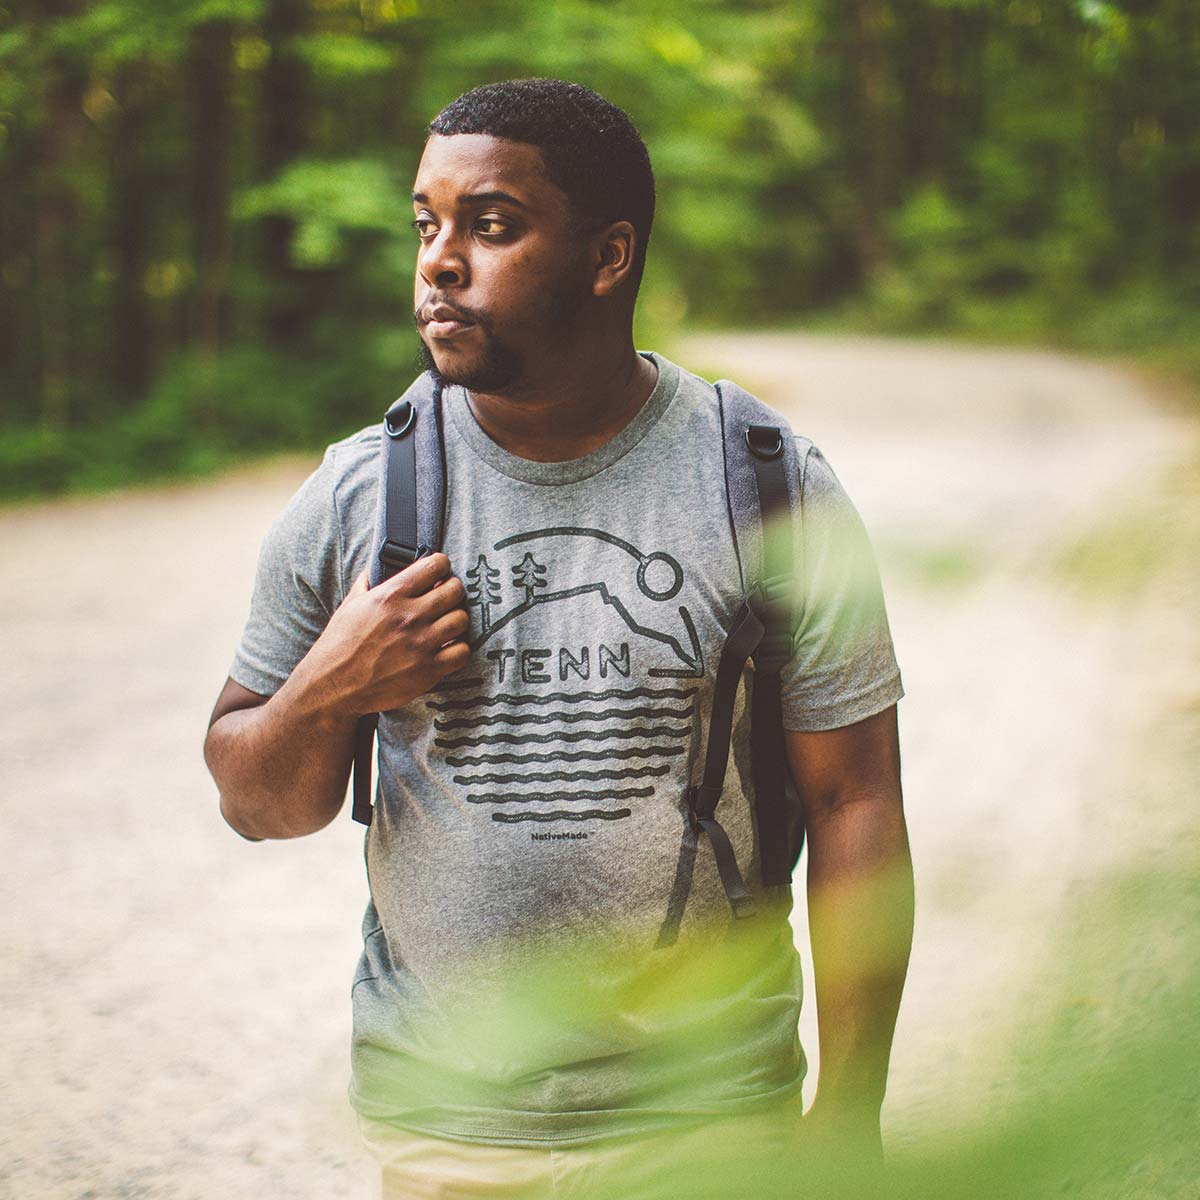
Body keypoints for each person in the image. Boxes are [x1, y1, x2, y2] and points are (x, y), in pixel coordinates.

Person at [203, 78, 913, 1200]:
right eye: (426, 225)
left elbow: (855, 802)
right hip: (446, 1125)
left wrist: (852, 1114)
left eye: (490, 225)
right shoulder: (361, 495)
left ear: (607, 256)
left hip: (710, 1115)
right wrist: (329, 686)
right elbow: (259, 803)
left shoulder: (768, 485)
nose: (440, 261)